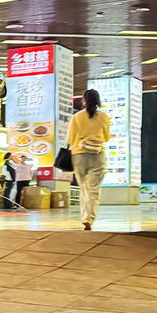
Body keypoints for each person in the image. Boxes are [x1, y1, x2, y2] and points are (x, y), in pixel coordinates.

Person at [67, 89, 111, 229]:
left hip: (79, 154)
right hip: (97, 154)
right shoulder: (104, 117)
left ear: (84, 101)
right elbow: (107, 137)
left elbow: (70, 138)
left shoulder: (77, 117)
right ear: (98, 100)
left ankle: (84, 216)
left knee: (84, 188)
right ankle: (89, 218)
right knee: (93, 190)